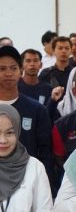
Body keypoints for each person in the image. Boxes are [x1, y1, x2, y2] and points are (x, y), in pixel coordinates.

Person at [0, 48, 53, 181]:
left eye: (13, 68)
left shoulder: (37, 109)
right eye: (2, 69)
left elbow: (46, 152)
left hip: (27, 181)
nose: (8, 73)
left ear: (21, 71)